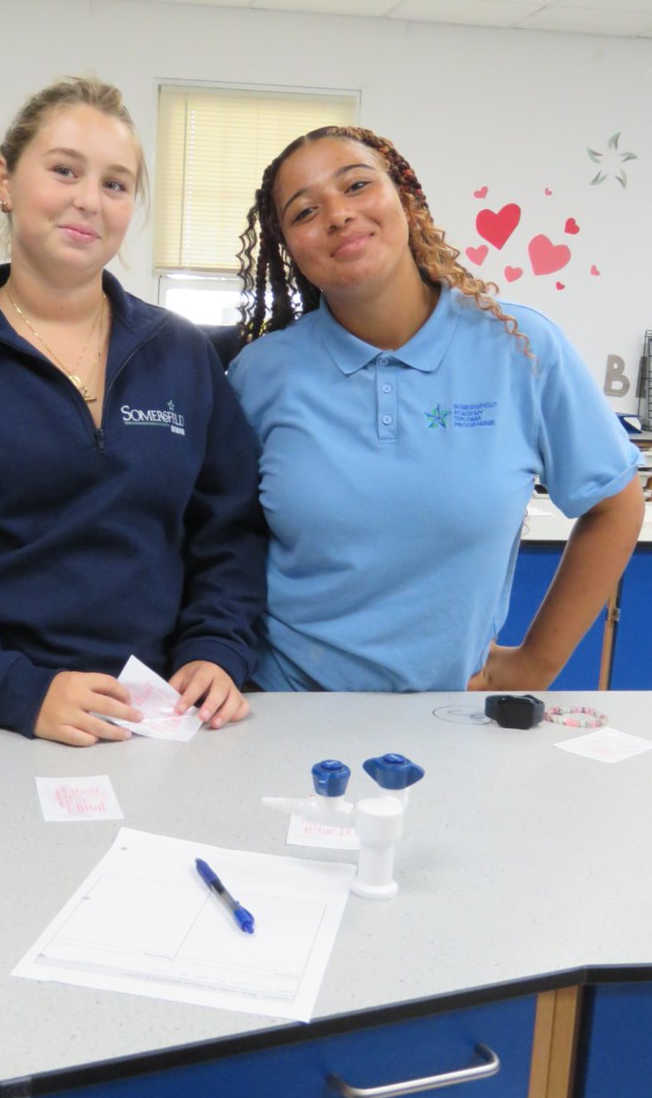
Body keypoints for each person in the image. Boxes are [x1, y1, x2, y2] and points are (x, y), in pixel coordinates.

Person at [0, 77, 266, 746]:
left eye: (116, 184)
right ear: (5, 180)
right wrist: (16, 689)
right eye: (64, 170)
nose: (88, 201)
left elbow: (229, 531)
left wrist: (217, 646)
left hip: (148, 722)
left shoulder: (180, 354)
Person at [228, 124, 644, 694]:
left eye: (356, 185)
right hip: (281, 706)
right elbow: (217, 544)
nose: (338, 214)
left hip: (448, 718)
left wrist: (536, 664)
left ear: (405, 196)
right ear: (289, 247)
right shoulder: (259, 373)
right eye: (304, 212)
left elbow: (615, 506)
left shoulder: (519, 346)